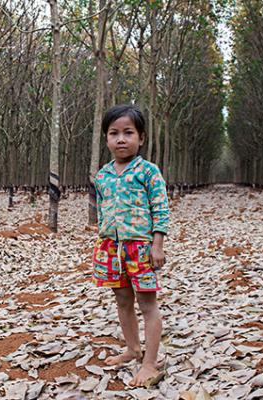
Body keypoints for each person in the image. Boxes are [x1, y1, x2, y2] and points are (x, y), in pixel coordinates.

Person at [92, 104, 168, 387]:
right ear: (106, 138)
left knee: (148, 303)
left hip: (140, 247)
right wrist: (103, 244)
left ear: (141, 138)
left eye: (128, 132)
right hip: (111, 247)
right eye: (114, 133)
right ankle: (133, 349)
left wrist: (157, 244)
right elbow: (102, 210)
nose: (121, 139)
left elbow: (160, 209)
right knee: (122, 300)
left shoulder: (148, 172)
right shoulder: (102, 175)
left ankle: (149, 363)